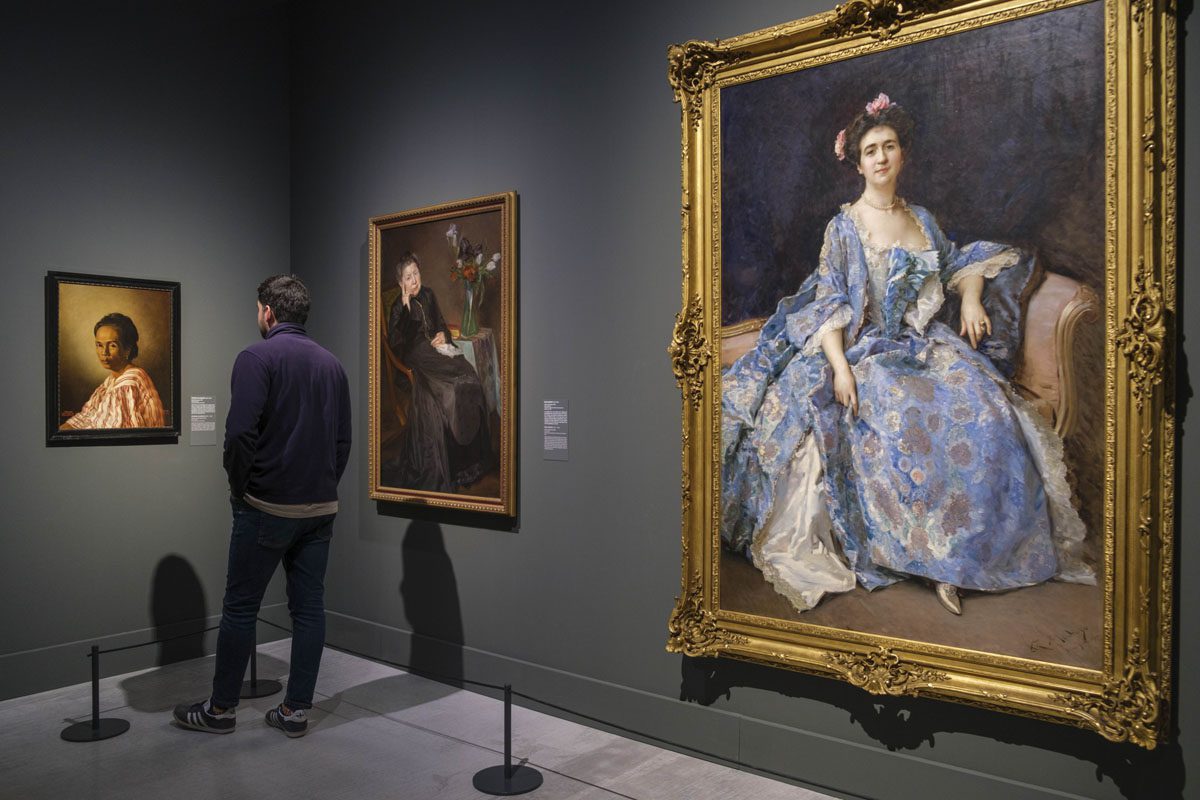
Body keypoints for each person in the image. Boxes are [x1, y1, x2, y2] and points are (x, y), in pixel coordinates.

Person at [722, 94, 1094, 616]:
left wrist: (970, 298)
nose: (881, 157)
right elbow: (830, 301)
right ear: (857, 163)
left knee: (985, 410)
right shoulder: (845, 227)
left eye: (889, 146)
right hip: (865, 348)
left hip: (922, 345)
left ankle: (969, 558)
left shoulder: (921, 218)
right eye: (870, 150)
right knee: (898, 416)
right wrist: (840, 368)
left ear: (903, 154)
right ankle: (927, 560)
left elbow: (957, 266)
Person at [173, 275, 351, 738]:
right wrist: (322, 485)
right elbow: (342, 441)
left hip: (266, 505)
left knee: (240, 608)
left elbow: (239, 434)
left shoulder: (256, 357)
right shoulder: (332, 365)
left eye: (258, 309)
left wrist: (241, 487)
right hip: (319, 509)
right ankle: (295, 712)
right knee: (309, 610)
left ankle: (221, 710)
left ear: (268, 311)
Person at [384, 252, 493, 491]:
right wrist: (405, 308)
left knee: (469, 376)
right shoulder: (397, 307)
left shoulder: (429, 294)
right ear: (401, 283)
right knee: (449, 389)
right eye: (408, 277)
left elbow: (440, 323)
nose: (414, 280)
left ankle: (472, 460)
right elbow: (396, 343)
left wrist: (442, 334)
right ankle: (456, 462)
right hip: (417, 354)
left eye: (416, 273)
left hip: (437, 349)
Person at [60, 312, 164, 429]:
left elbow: (115, 431)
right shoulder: (111, 381)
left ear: (127, 349)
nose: (104, 352)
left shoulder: (129, 382)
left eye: (112, 345)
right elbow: (87, 416)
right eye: (99, 345)